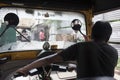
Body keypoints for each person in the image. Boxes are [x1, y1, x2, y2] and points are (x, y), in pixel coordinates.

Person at [16, 21, 118, 80]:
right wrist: (75, 66)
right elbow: (98, 72)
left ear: (92, 34)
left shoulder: (80, 47)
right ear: (108, 37)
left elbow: (47, 60)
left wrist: (25, 69)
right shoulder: (114, 52)